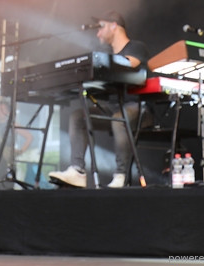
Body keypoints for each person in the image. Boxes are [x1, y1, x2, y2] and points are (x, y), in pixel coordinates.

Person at [48, 11, 149, 189]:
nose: (98, 33)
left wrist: (99, 63)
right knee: (78, 117)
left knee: (119, 119)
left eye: (100, 27)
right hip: (114, 107)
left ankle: (121, 175)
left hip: (139, 106)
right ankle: (77, 171)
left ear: (114, 25)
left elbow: (129, 64)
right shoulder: (106, 54)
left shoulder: (136, 47)